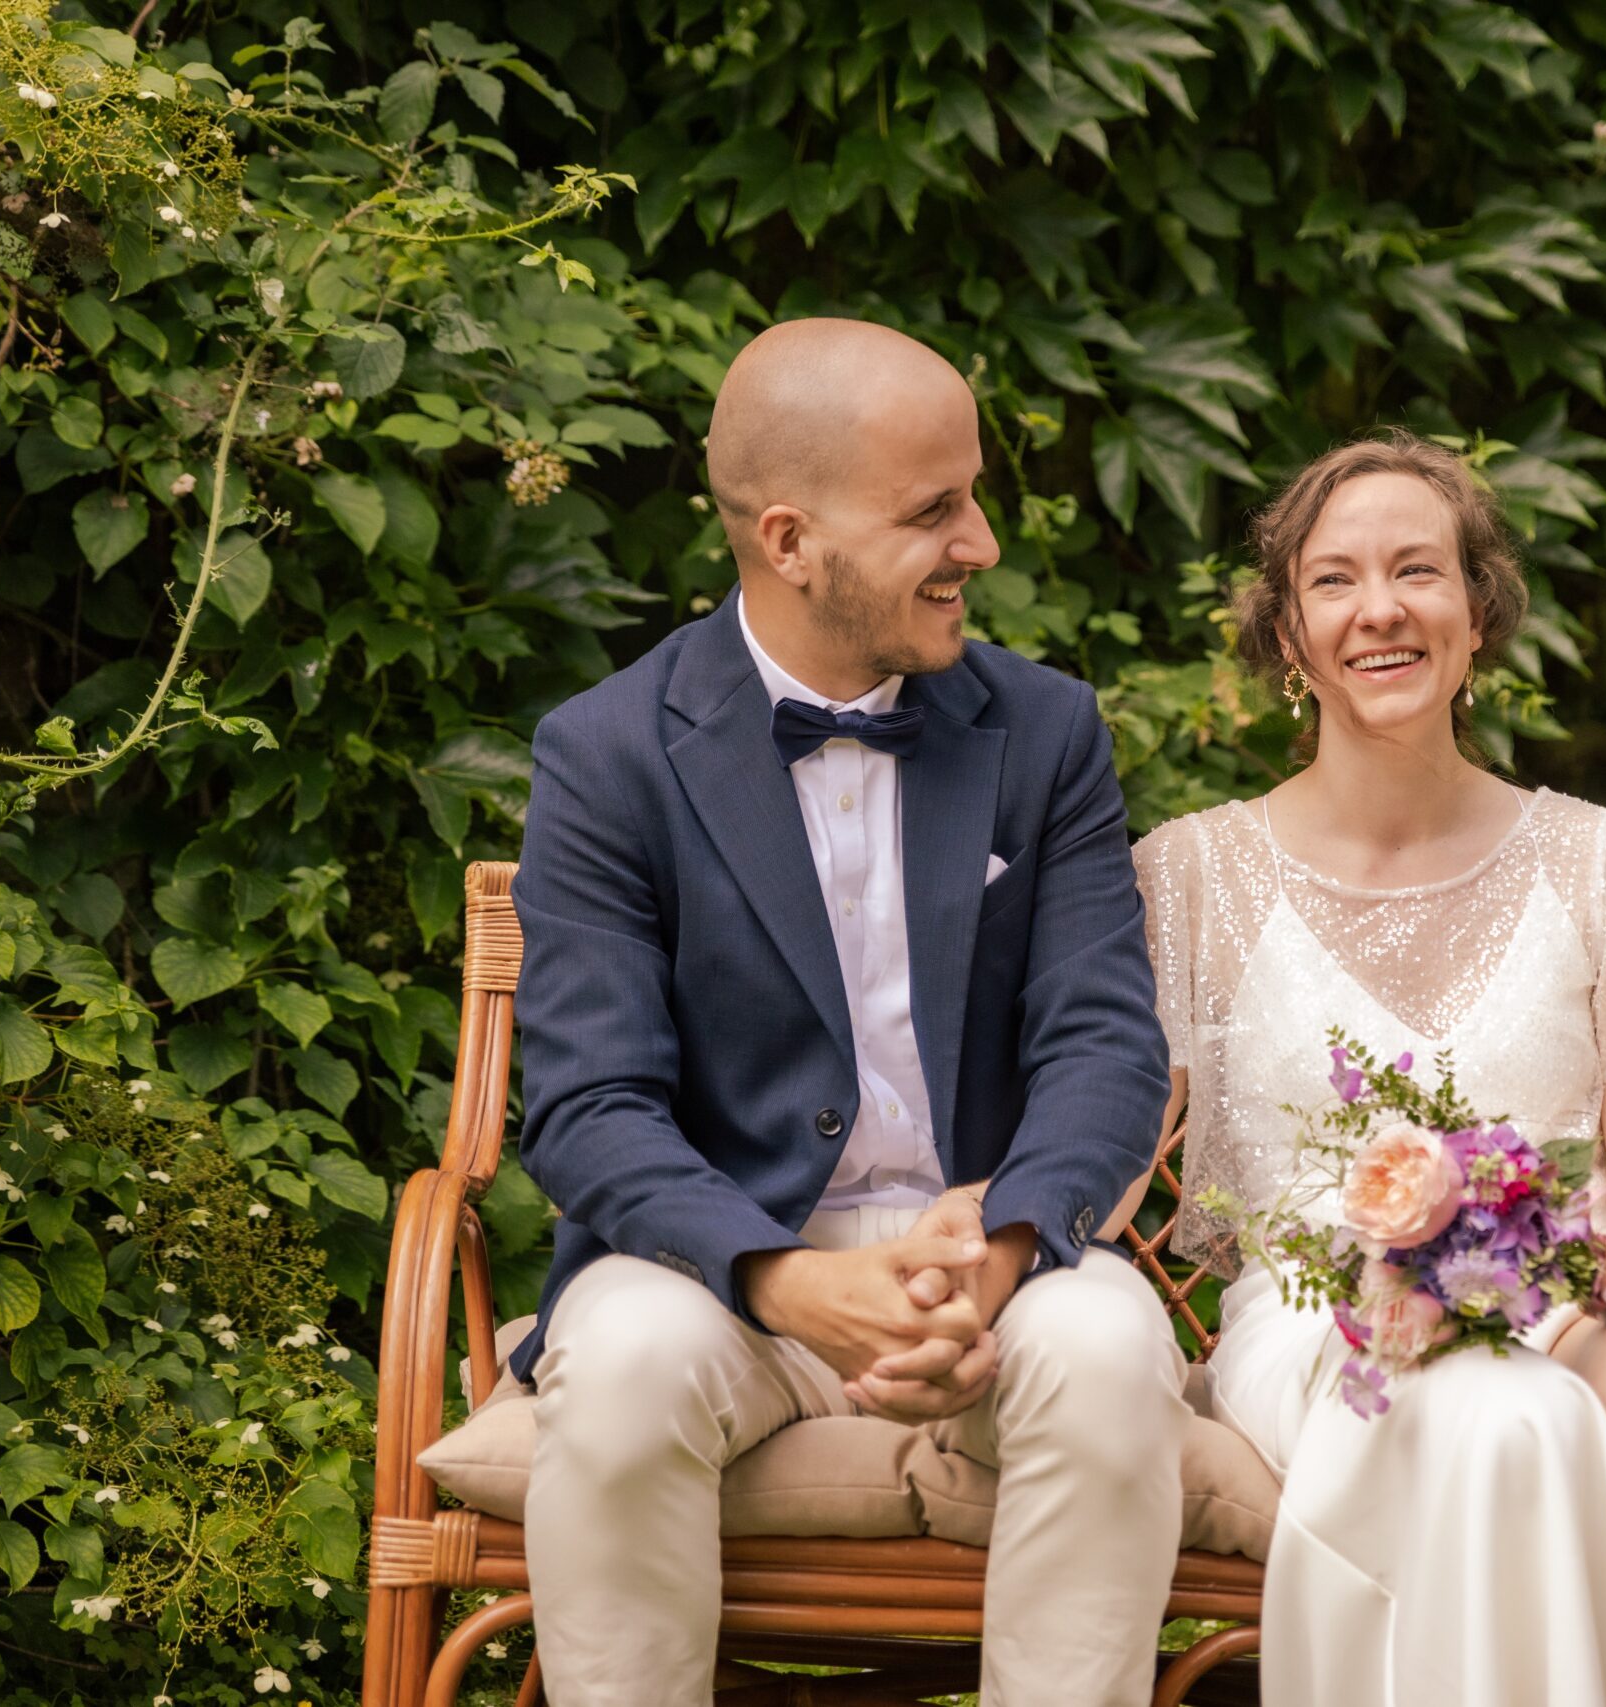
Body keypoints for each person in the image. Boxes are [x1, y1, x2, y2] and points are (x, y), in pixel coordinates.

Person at [510, 317, 1190, 1707]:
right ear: (789, 540)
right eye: (933, 510)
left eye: (973, 497)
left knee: (1114, 1347)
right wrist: (784, 1280)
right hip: (719, 1269)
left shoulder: (1048, 731)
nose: (980, 543)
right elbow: (589, 1105)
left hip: (984, 1248)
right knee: (624, 1362)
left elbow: (1105, 1043)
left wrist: (1003, 1248)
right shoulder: (608, 753)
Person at [1131, 430, 1606, 1707]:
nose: (1380, 608)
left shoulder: (1603, 865)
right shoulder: (1188, 875)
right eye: (1334, 581)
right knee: (1502, 1416)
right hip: (1333, 1318)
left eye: (1418, 570)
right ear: (1287, 636)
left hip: (1557, 1291)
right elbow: (1112, 1141)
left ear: (1477, 613)